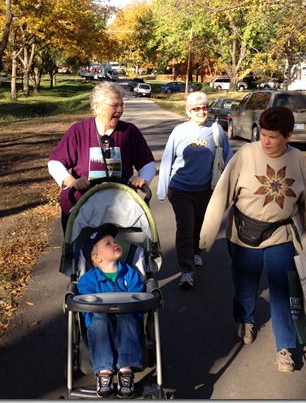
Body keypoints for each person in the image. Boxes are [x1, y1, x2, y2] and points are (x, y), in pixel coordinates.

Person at [199, 106, 306, 372]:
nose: (266, 141)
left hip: (280, 235)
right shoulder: (246, 155)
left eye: (273, 137)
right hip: (244, 234)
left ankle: (285, 347)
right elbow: (222, 193)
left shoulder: (296, 160)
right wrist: (207, 235)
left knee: (284, 293)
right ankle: (245, 320)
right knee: (245, 286)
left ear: (288, 136)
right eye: (263, 135)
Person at [48, 82, 156, 234]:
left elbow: (148, 163)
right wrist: (72, 181)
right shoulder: (78, 131)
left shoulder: (129, 132)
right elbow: (55, 163)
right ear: (97, 107)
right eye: (114, 105)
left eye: (122, 105)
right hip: (82, 207)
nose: (120, 110)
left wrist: (142, 178)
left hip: (121, 208)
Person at [157, 91, 233, 288]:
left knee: (200, 225)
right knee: (186, 227)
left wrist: (234, 185)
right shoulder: (179, 131)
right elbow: (167, 159)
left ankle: (196, 252)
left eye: (204, 107)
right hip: (180, 188)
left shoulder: (216, 130)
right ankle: (186, 271)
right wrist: (162, 189)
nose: (201, 111)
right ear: (188, 111)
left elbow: (229, 159)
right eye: (196, 108)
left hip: (206, 189)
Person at [77, 224, 145, 398]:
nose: (115, 243)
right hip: (100, 323)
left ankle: (126, 370)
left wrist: (136, 315)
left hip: (127, 319)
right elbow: (86, 307)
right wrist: (91, 321)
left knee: (128, 317)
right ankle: (104, 371)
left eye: (114, 241)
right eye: (108, 243)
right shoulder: (88, 280)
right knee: (99, 319)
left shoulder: (130, 273)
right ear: (96, 258)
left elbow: (139, 299)